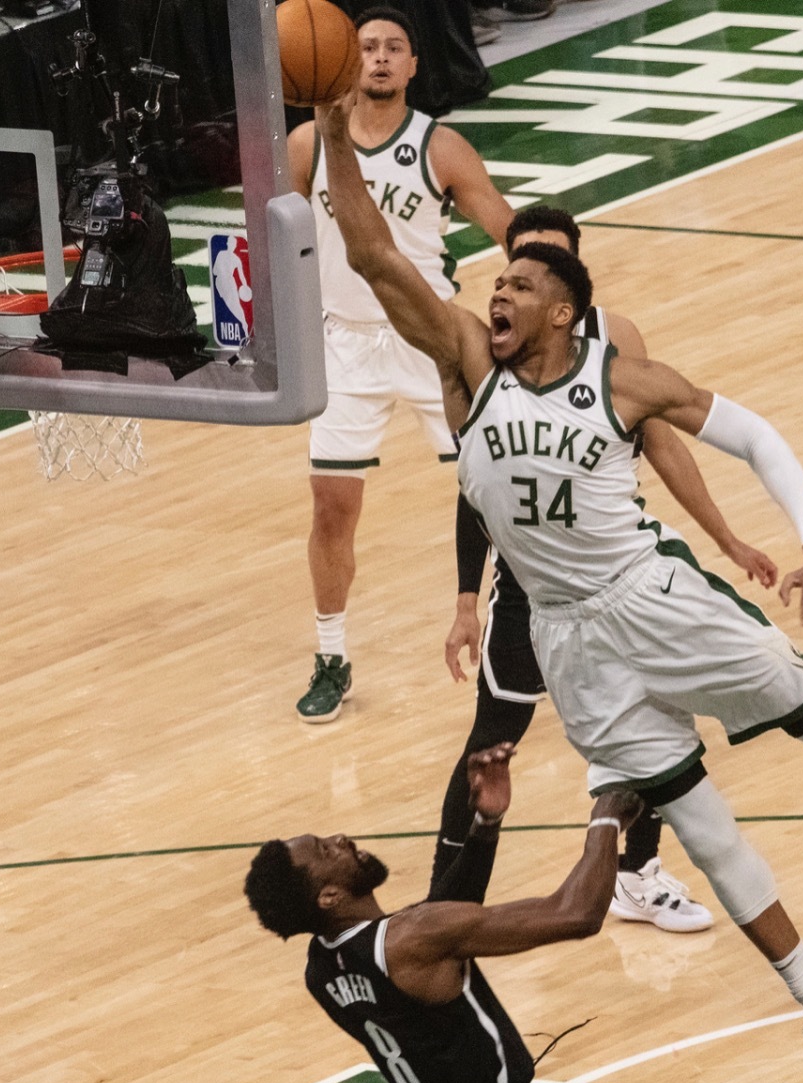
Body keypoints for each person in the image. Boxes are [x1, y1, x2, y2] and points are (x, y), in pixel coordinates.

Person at [313, 91, 803, 1083]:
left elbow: (752, 435)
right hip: (569, 637)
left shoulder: (623, 383)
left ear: (562, 310)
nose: (497, 293)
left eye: (519, 283)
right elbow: (375, 254)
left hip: (653, 600)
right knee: (703, 832)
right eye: (494, 280)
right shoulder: (465, 368)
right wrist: (329, 128)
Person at [434, 204, 780, 936]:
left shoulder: (613, 349)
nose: (523, 282)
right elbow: (475, 494)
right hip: (531, 594)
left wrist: (726, 538)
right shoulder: (491, 358)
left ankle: (638, 875)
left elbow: (664, 444)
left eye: (547, 267)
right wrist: (467, 599)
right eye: (517, 266)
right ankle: (445, 902)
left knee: (658, 712)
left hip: (613, 577)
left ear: (573, 290)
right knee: (492, 736)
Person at [243, 745, 749, 1083]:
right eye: (326, 851)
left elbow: (443, 925)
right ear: (328, 897)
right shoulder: (411, 938)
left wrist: (485, 826)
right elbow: (575, 915)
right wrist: (607, 822)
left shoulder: (323, 970)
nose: (340, 838)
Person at [286, 6, 513, 723]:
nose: (380, 58)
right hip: (342, 343)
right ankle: (330, 655)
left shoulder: (439, 148)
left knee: (495, 492)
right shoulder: (305, 146)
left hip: (433, 340)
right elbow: (267, 241)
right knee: (332, 508)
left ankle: (524, 630)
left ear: (416, 66)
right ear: (343, 63)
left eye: (394, 48)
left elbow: (511, 231)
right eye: (367, 48)